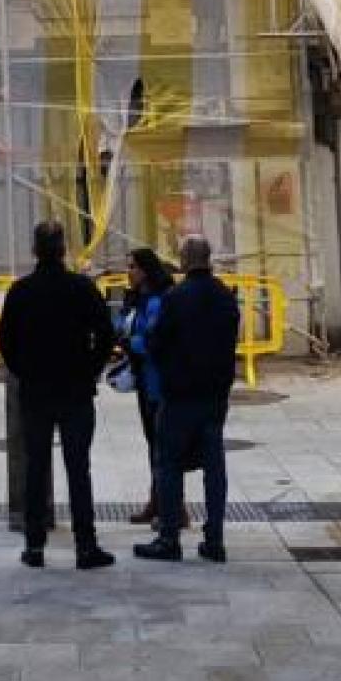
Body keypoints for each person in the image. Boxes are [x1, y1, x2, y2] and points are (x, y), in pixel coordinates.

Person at [0, 220, 117, 571]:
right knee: (79, 469)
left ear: (35, 250)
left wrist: (26, 371)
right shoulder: (81, 288)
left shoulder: (21, 291)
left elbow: (6, 342)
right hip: (76, 390)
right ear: (63, 248)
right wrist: (89, 368)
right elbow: (105, 334)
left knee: (36, 467)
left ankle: (34, 546)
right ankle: (85, 545)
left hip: (36, 392)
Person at [135, 234, 238, 565]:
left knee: (169, 465)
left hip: (179, 394)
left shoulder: (175, 298)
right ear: (208, 259)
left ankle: (169, 537)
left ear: (184, 260)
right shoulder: (225, 297)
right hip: (215, 395)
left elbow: (157, 340)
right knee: (214, 467)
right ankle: (215, 538)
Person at [119, 248, 179, 527]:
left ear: (145, 270)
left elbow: (154, 338)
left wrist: (130, 344)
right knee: (154, 444)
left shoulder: (157, 301)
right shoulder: (139, 299)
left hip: (158, 381)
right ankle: (158, 500)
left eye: (132, 267)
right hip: (145, 379)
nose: (128, 272)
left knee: (162, 444)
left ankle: (170, 506)